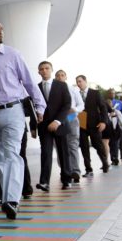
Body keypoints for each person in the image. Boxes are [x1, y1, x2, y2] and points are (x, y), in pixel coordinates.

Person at [0, 22, 44, 219]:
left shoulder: (13, 54)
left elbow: (28, 82)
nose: (0, 31)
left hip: (13, 111)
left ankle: (11, 200)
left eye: (1, 29)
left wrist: (40, 106)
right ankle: (8, 198)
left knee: (12, 154)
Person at [35, 61, 72, 192]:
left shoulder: (61, 85)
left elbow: (67, 105)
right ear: (38, 72)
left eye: (47, 68)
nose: (44, 71)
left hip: (59, 125)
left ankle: (67, 179)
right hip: (43, 126)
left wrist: (57, 121)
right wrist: (33, 126)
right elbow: (33, 107)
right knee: (45, 153)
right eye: (41, 69)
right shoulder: (36, 88)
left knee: (63, 153)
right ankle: (44, 182)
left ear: (51, 70)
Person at [75, 75, 110, 175]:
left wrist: (103, 122)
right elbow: (73, 110)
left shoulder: (95, 93)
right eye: (77, 82)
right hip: (81, 123)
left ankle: (105, 163)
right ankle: (88, 169)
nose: (78, 83)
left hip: (95, 124)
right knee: (84, 147)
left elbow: (103, 108)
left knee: (98, 145)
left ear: (85, 81)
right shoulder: (75, 94)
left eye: (80, 81)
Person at [54, 69, 84, 183]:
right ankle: (65, 170)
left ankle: (75, 171)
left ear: (66, 77)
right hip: (58, 120)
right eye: (58, 75)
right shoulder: (53, 90)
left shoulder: (73, 89)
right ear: (55, 78)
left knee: (73, 145)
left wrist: (75, 109)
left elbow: (81, 104)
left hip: (71, 117)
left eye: (62, 75)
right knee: (60, 146)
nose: (60, 77)